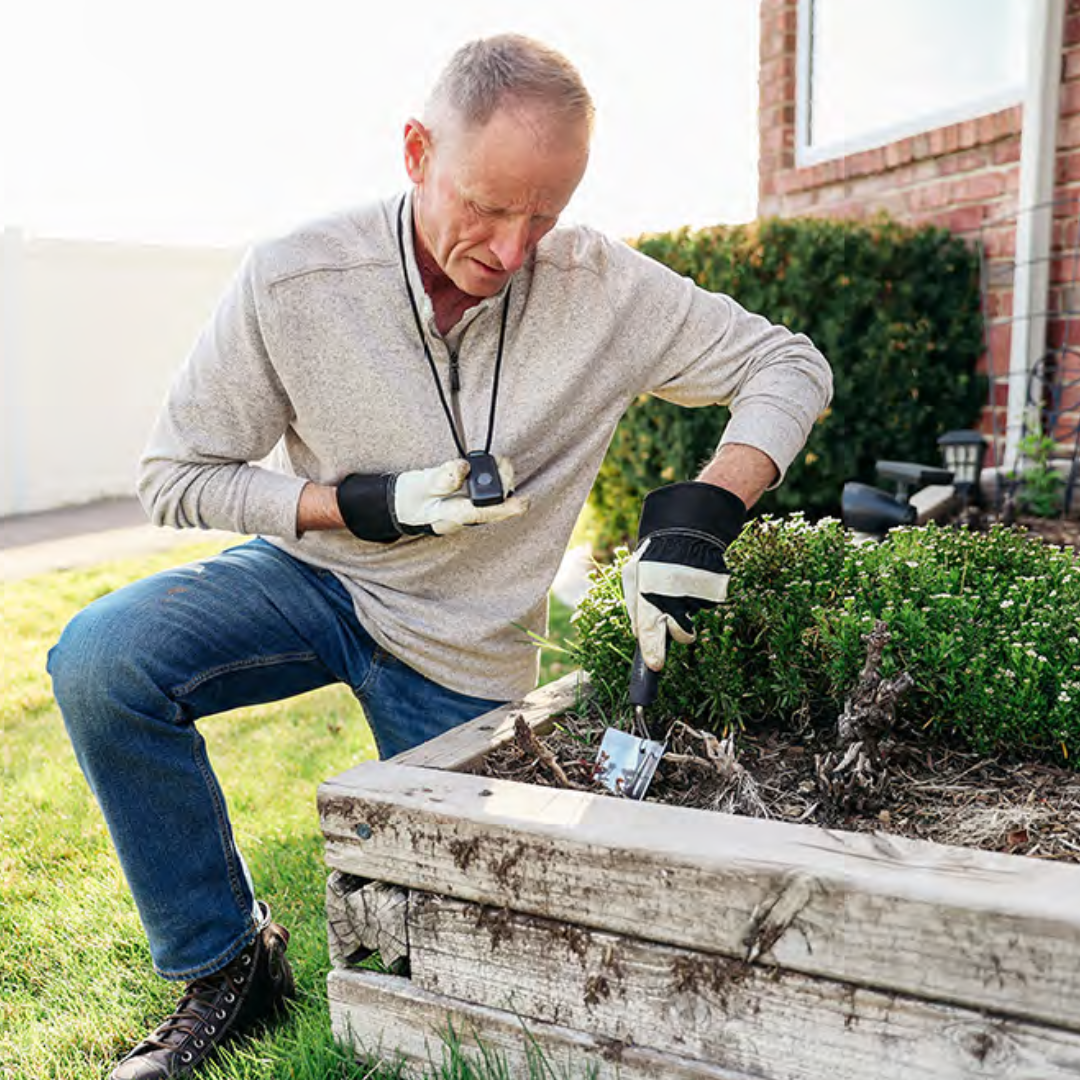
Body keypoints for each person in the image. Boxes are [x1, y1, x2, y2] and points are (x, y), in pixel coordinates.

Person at [48, 32, 832, 1080]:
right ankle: (226, 962)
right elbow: (176, 475)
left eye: (542, 216)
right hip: (317, 580)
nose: (512, 251)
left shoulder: (605, 289)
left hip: (469, 644)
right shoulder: (296, 278)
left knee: (497, 970)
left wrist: (707, 507)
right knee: (103, 658)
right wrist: (352, 504)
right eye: (488, 206)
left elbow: (789, 361)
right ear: (416, 151)